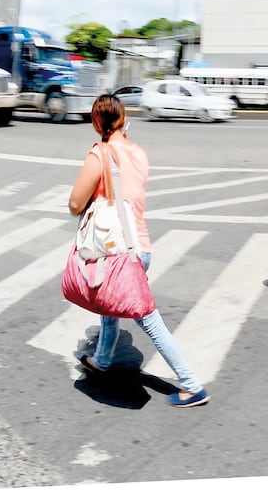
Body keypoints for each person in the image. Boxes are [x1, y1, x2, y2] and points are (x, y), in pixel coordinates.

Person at [67, 94, 210, 408]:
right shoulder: (138, 153)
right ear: (122, 119)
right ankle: (103, 360)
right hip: (138, 245)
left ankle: (192, 384)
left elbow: (75, 203)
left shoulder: (100, 153)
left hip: (118, 251)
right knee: (108, 307)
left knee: (149, 320)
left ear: (96, 122)